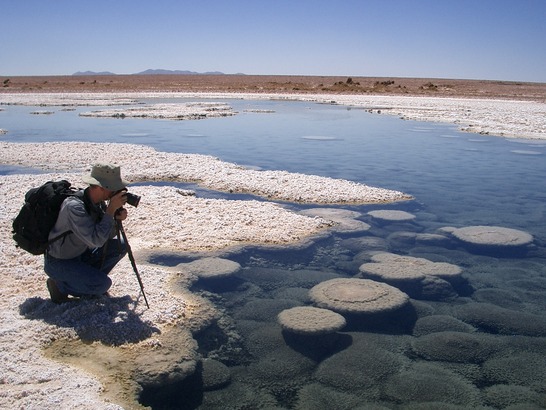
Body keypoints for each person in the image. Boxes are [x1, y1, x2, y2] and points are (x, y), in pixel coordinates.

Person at [44, 163, 130, 303]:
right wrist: (110, 211)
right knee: (103, 285)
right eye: (113, 188)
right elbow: (96, 241)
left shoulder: (95, 201)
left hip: (80, 254)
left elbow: (105, 235)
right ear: (102, 187)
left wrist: (115, 219)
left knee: (121, 245)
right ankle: (60, 286)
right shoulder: (74, 207)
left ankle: (88, 282)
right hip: (60, 262)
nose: (116, 191)